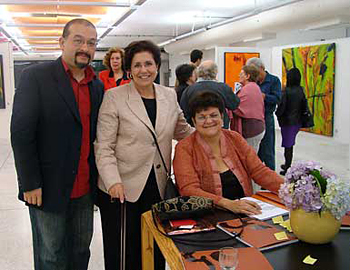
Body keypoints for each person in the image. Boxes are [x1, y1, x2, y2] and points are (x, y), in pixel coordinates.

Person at [10, 19, 104, 270]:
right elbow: (21, 133)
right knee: (51, 255)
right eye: (78, 40)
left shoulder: (96, 85)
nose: (85, 47)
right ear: (62, 42)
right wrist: (30, 183)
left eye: (91, 43)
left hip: (84, 188)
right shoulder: (36, 77)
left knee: (81, 250)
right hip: (47, 188)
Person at [94, 40, 192, 270]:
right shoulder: (114, 97)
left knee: (155, 246)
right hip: (121, 187)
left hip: (157, 185)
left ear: (157, 66)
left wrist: (215, 135)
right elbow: (104, 145)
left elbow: (183, 131)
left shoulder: (169, 96)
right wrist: (112, 181)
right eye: (137, 65)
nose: (143, 70)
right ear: (129, 69)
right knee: (123, 252)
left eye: (148, 64)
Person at [174, 91, 283, 215]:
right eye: (202, 117)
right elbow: (188, 190)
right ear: (193, 121)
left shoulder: (235, 138)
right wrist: (227, 204)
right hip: (209, 215)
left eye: (213, 115)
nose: (209, 121)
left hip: (245, 211)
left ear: (222, 116)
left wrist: (289, 189)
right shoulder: (184, 148)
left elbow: (259, 171)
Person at [180, 60, 240, 129]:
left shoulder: (188, 90)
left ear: (199, 72)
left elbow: (183, 111)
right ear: (215, 72)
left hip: (197, 129)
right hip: (219, 129)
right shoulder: (223, 88)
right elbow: (234, 104)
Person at [246, 57, 281, 171]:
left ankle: (271, 180)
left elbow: (277, 99)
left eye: (254, 71)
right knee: (256, 150)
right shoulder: (253, 82)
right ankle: (258, 176)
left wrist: (265, 97)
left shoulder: (274, 80)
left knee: (268, 149)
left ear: (261, 68)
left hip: (267, 117)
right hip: (254, 118)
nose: (253, 74)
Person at [276, 68, 307, 175]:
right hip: (297, 121)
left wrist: (277, 113)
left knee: (287, 145)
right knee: (290, 144)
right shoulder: (300, 90)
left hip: (287, 122)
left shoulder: (286, 92)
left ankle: (288, 167)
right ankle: (287, 164)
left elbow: (281, 107)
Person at [231, 65, 265, 153]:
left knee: (248, 158)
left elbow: (237, 106)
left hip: (252, 130)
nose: (239, 75)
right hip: (255, 128)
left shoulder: (249, 89)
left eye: (241, 73)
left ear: (248, 76)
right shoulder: (254, 87)